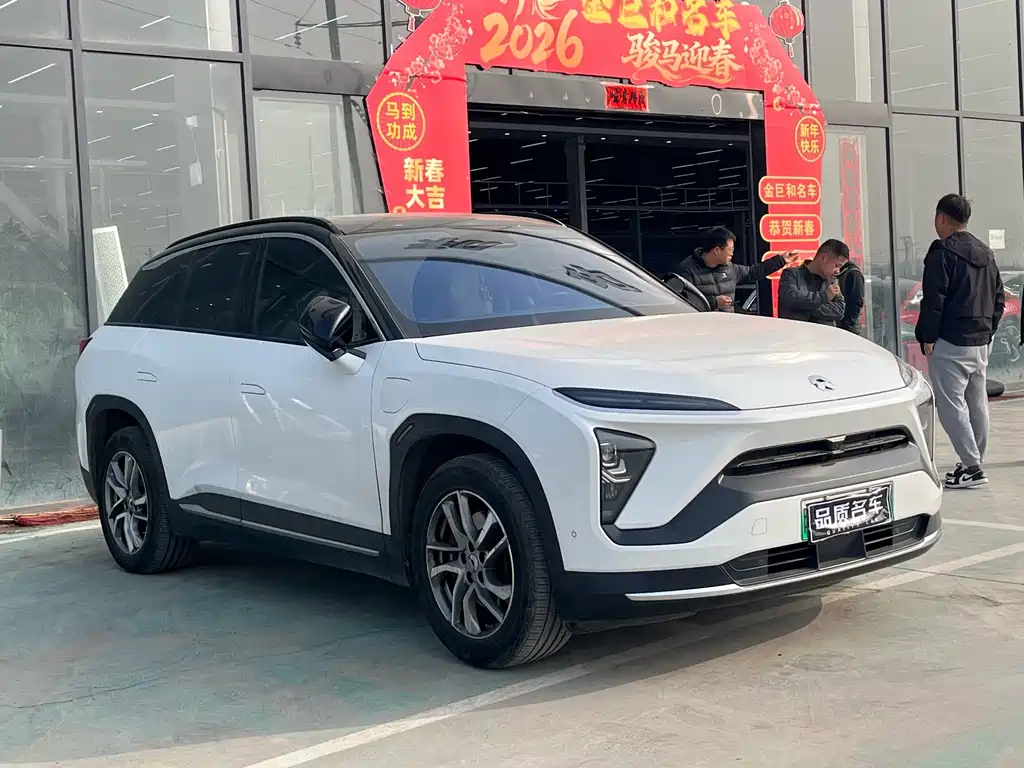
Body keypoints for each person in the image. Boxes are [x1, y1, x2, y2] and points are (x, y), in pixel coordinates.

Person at [915, 193, 1005, 489]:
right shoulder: (986, 252)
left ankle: (972, 467)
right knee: (977, 403)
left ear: (941, 218)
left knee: (951, 405)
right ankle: (974, 461)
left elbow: (934, 300)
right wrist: (988, 331)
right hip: (980, 340)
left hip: (950, 341)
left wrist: (927, 336)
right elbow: (999, 298)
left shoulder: (942, 252)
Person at [675, 227, 798, 312]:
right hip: (702, 330)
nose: (732, 253)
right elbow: (681, 302)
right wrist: (714, 302)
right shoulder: (687, 270)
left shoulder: (730, 268)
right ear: (717, 250)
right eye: (730, 249)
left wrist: (781, 260)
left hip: (729, 328)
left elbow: (753, 272)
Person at [777, 239, 850, 326]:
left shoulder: (832, 281)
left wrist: (803, 308)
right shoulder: (792, 274)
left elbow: (840, 310)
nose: (837, 271)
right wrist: (824, 297)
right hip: (796, 332)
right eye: (837, 266)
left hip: (825, 334)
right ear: (823, 257)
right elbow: (791, 300)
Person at [836, 257, 865, 334]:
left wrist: (847, 323)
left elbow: (857, 301)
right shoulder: (841, 272)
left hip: (849, 325)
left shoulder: (853, 274)